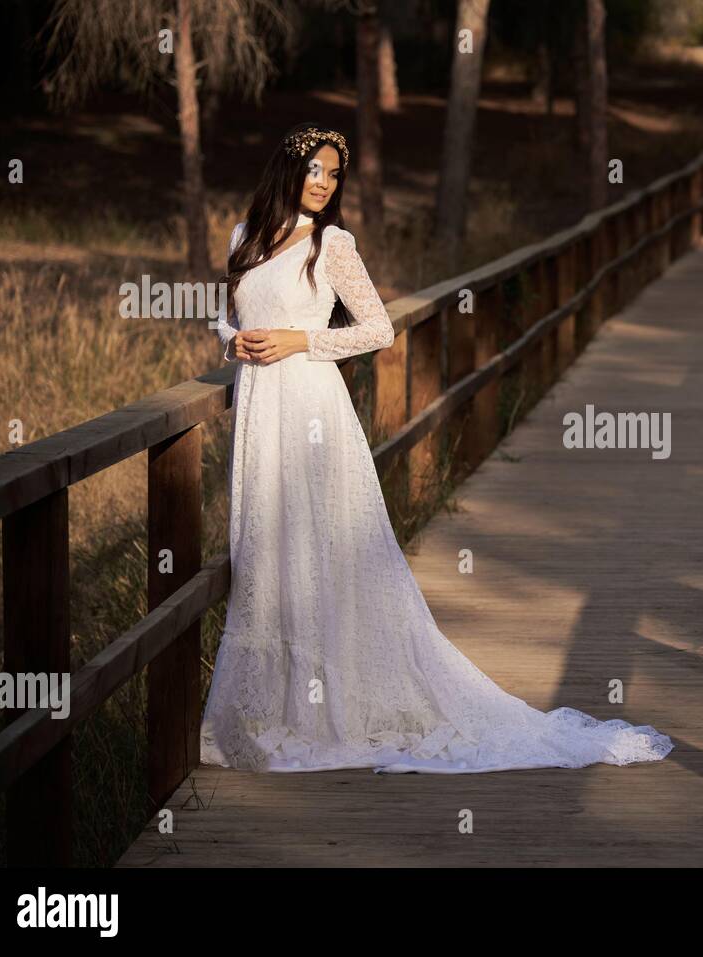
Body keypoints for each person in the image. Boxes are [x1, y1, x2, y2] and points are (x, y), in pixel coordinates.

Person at [200, 123, 675, 773]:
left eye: (335, 174)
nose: (324, 183)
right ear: (289, 166)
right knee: (266, 550)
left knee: (321, 549)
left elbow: (377, 330)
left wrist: (298, 341)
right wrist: (236, 341)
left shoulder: (332, 245)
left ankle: (327, 708)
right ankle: (271, 709)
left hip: (310, 407)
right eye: (315, 168)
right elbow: (230, 317)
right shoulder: (245, 238)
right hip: (261, 411)